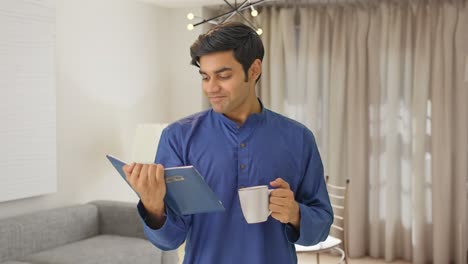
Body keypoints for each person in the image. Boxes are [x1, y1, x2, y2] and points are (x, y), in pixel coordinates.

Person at [123, 22, 333, 264]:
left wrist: (295, 213)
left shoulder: (299, 138)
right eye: (205, 77)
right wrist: (153, 207)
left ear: (254, 70)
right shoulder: (177, 137)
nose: (211, 88)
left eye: (223, 75)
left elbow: (321, 226)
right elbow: (170, 240)